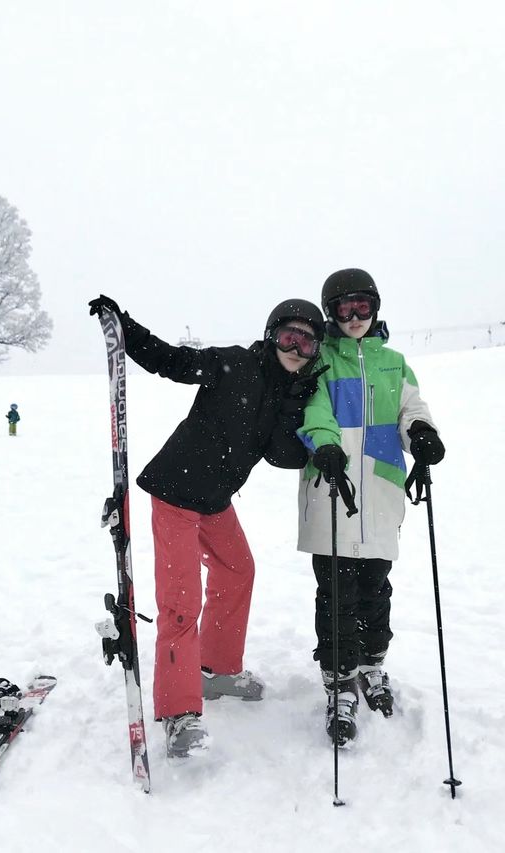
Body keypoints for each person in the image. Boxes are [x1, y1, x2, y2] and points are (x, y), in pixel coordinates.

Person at [89, 293, 326, 758]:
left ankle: (216, 672)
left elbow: (283, 456)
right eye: (288, 336)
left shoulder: (289, 392)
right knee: (180, 603)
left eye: (307, 343)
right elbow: (170, 361)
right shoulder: (233, 364)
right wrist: (125, 327)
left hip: (215, 500)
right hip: (176, 493)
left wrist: (294, 406)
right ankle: (179, 714)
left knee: (239, 571)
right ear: (270, 335)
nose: (296, 348)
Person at [296, 269, 445, 747]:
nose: (355, 317)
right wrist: (325, 444)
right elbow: (315, 411)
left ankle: (371, 664)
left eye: (363, 306)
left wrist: (420, 434)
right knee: (335, 595)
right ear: (331, 314)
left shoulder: (395, 363)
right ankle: (339, 682)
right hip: (332, 492)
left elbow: (411, 409)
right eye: (344, 309)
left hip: (380, 494)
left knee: (375, 589)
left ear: (375, 308)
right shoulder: (321, 361)